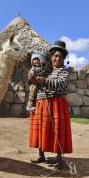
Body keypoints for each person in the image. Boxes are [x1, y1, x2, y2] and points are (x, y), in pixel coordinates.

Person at [28, 40, 72, 170]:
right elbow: (37, 84)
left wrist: (44, 81)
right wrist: (33, 79)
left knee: (57, 131)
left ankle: (59, 159)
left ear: (63, 58)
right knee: (42, 130)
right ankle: (41, 155)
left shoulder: (64, 71)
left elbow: (61, 84)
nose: (57, 58)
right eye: (55, 56)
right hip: (41, 103)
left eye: (60, 56)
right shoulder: (45, 70)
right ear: (51, 57)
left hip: (56, 104)